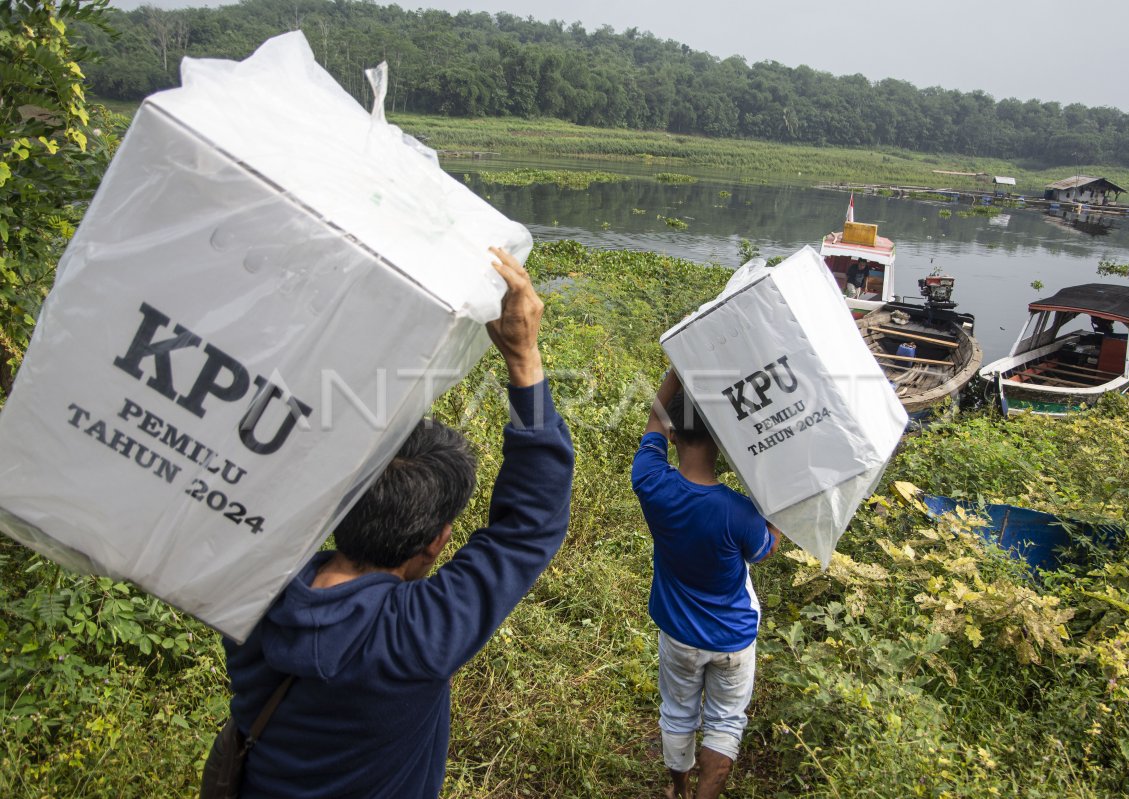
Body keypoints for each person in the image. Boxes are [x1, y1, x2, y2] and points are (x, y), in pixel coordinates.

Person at [220, 247, 574, 798]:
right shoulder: (411, 639)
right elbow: (529, 524)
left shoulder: (250, 591)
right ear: (437, 542)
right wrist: (523, 360)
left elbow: (528, 525)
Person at [631, 370, 780, 799]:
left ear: (675, 438)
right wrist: (780, 518)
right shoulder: (739, 512)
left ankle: (676, 790)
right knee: (726, 722)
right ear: (724, 441)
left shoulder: (651, 482)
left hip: (678, 634)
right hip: (733, 638)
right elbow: (764, 549)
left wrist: (672, 376)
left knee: (677, 713)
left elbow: (654, 423)